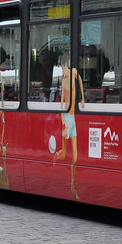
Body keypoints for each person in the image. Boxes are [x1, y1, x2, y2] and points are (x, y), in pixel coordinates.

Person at [54, 52, 83, 198]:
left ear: (65, 65)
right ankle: (57, 156)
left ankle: (72, 185)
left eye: (62, 68)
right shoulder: (64, 82)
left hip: (73, 118)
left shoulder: (73, 73)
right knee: (65, 154)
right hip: (66, 118)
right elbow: (62, 106)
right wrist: (63, 123)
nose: (63, 71)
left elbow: (80, 82)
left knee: (75, 157)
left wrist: (83, 99)